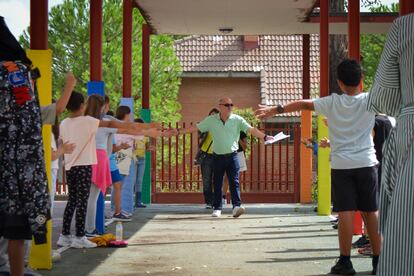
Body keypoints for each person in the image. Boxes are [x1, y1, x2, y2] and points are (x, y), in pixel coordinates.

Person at [255, 59, 381, 275]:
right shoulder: (370, 101)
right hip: (367, 164)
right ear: (361, 81)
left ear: (339, 83)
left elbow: (303, 104)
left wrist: (275, 110)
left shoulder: (331, 102)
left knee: (345, 212)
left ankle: (345, 262)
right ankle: (379, 261)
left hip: (342, 165)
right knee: (371, 211)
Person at [57, 92, 157, 249]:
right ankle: (80, 235)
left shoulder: (64, 123)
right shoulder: (88, 121)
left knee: (73, 200)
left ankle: (65, 235)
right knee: (83, 201)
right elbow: (113, 125)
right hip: (85, 164)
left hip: (70, 165)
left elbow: (63, 141)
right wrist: (147, 127)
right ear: (81, 105)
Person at [0, 16, 50, 276]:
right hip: (19, 166)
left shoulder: (14, 72)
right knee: (17, 228)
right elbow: (28, 123)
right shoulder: (19, 73)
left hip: (13, 160)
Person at [365, 14, 414, 276]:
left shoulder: (405, 27)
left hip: (411, 131)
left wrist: (407, 109)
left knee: (405, 238)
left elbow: (383, 96)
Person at [178, 98, 273, 218]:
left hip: (233, 156)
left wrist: (265, 137)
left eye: (231, 105)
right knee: (217, 183)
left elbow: (251, 130)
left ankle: (236, 207)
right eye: (227, 105)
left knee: (234, 182)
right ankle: (217, 208)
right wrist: (178, 131)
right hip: (217, 156)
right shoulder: (211, 120)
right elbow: (196, 127)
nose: (230, 107)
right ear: (220, 106)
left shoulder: (237, 120)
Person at [198, 108, 219, 209]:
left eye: (215, 115)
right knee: (206, 180)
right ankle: (208, 202)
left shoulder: (222, 127)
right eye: (211, 115)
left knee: (217, 180)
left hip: (218, 156)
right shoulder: (205, 127)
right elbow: (200, 137)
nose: (212, 117)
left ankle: (216, 202)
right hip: (206, 156)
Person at [133, 118, 155, 208]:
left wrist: (149, 148)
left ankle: (138, 202)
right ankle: (131, 201)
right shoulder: (132, 135)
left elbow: (146, 147)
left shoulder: (145, 136)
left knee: (139, 180)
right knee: (132, 180)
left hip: (142, 159)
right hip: (133, 159)